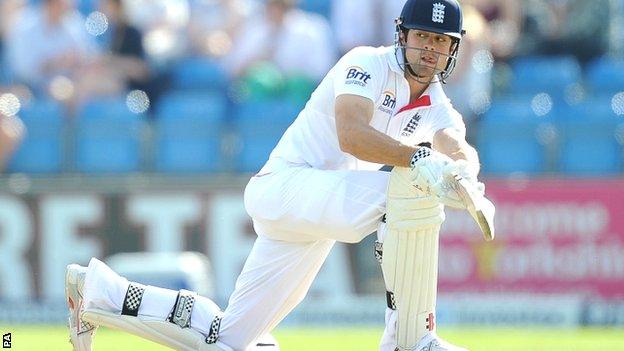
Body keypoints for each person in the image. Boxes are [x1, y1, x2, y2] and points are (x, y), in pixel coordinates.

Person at [65, 0, 483, 350]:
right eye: (424, 36)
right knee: (411, 190)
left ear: (453, 50)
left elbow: (455, 141)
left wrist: (464, 173)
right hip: (289, 186)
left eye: (442, 41)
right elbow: (352, 135)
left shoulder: (436, 102)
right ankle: (410, 338)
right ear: (403, 35)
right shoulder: (366, 63)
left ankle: (98, 291)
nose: (431, 49)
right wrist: (418, 161)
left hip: (315, 213)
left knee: (231, 341)